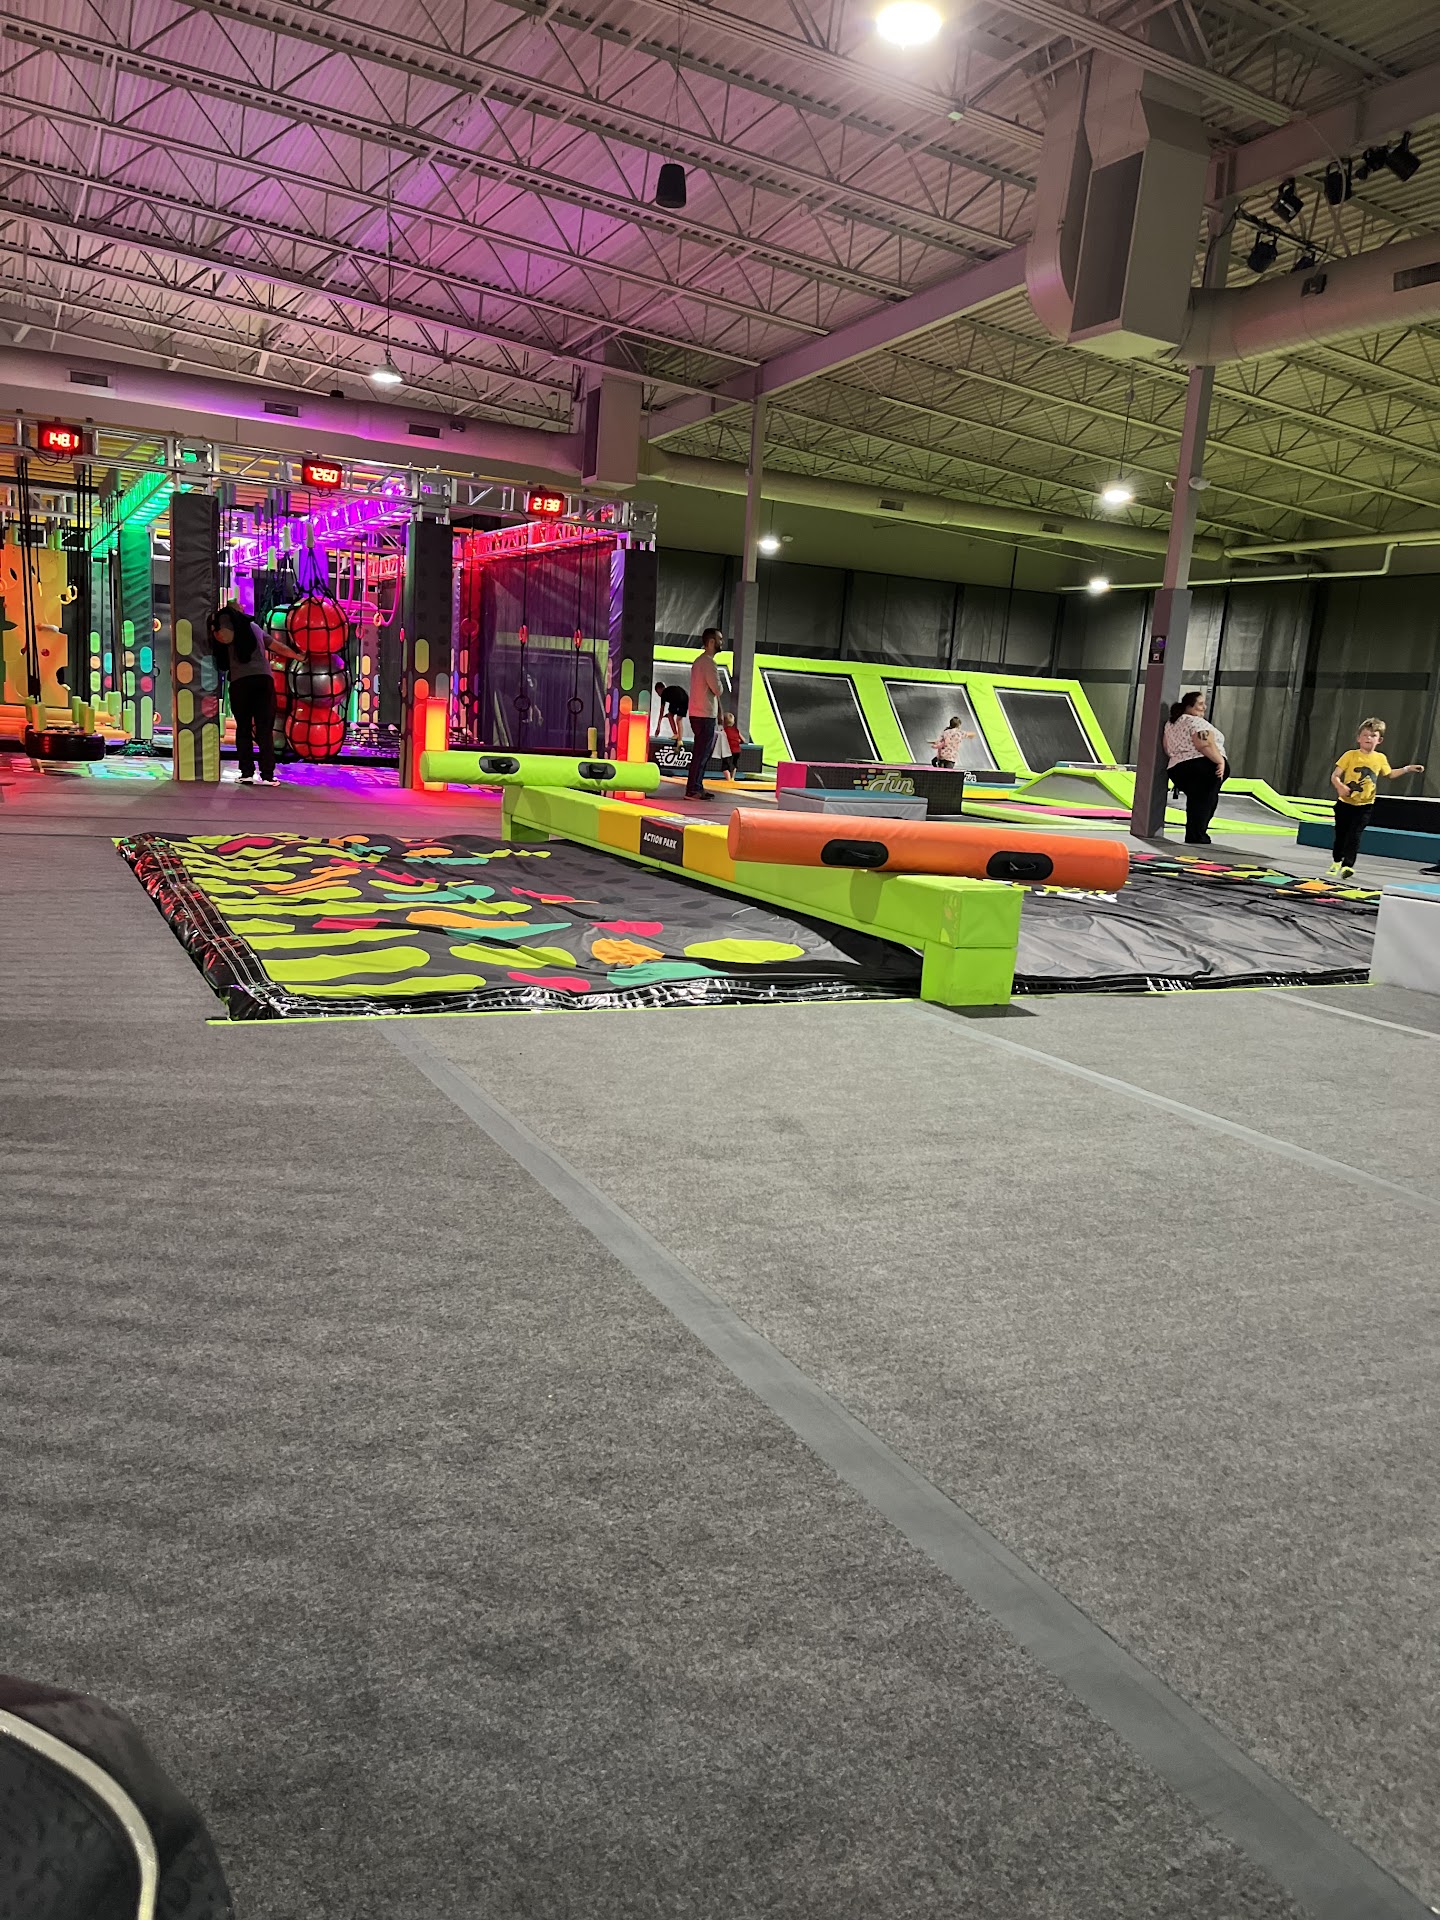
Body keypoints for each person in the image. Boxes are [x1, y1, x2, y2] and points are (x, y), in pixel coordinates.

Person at [207, 604, 301, 785]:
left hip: (240, 682)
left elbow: (221, 642)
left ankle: (247, 773)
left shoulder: (224, 626)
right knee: (264, 729)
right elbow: (277, 647)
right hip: (263, 680)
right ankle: (267, 775)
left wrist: (213, 630)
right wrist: (298, 656)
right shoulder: (254, 627)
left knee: (243, 728)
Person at [1328, 717, 1424, 879]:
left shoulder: (1380, 758)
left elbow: (1390, 774)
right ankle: (1337, 859)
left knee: (1355, 834)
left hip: (1365, 805)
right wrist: (1340, 786)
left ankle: (1348, 865)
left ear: (1379, 740)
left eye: (1373, 736)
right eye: (1365, 735)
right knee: (1341, 834)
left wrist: (1407, 769)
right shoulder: (1350, 755)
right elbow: (1335, 775)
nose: (1368, 738)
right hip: (1345, 804)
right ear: (1358, 738)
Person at [1163, 689, 1228, 845]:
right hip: (1201, 767)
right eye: (1200, 704)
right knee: (1205, 801)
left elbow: (1166, 747)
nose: (1204, 707)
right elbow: (1204, 743)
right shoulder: (1196, 721)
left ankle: (1194, 834)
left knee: (1197, 800)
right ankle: (1197, 835)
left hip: (1177, 768)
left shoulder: (1171, 723)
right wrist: (1220, 761)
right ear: (1189, 706)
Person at [686, 627, 724, 800]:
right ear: (711, 642)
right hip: (705, 715)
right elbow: (717, 689)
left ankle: (696, 787)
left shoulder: (698, 662)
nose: (721, 643)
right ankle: (694, 788)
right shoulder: (709, 663)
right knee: (702, 754)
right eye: (719, 639)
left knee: (700, 752)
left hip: (696, 713)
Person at [719, 709, 745, 780]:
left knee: (725, 767)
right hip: (737, 750)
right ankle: (732, 778)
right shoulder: (736, 730)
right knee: (734, 764)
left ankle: (728, 779)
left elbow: (721, 741)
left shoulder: (724, 731)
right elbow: (743, 740)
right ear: (733, 722)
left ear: (723, 723)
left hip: (728, 751)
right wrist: (738, 742)